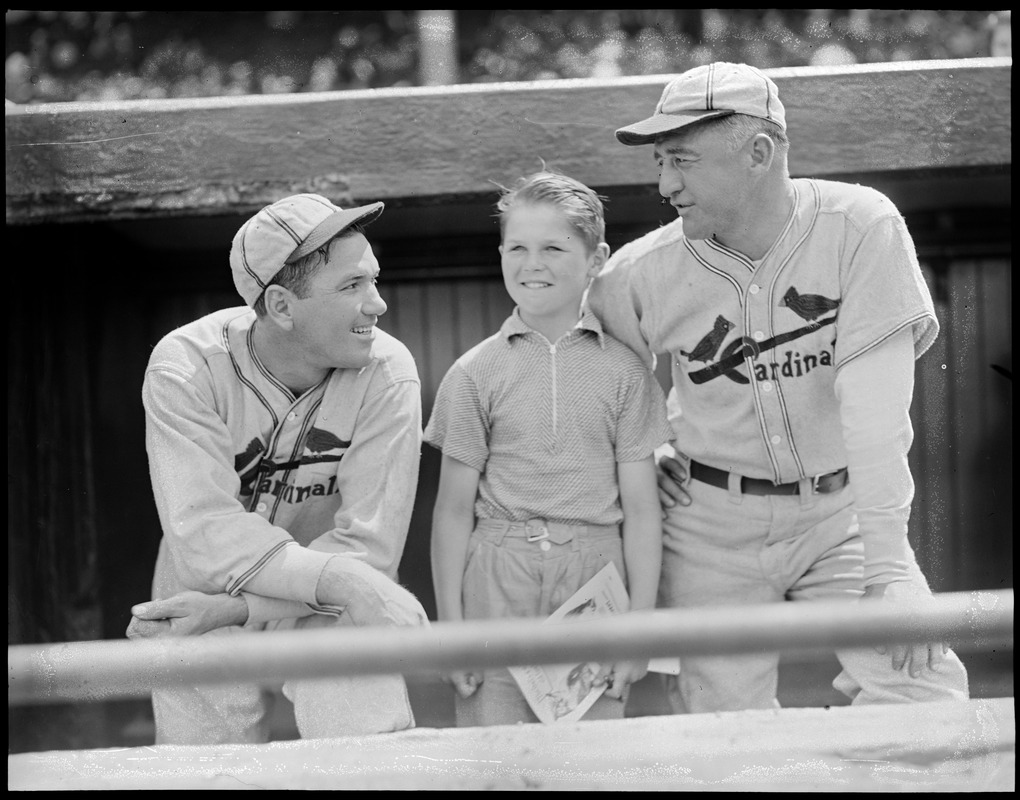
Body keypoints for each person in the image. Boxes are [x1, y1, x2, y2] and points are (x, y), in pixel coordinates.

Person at [587, 62, 970, 713]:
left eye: (682, 160)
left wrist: (889, 572)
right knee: (724, 746)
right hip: (708, 526)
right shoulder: (637, 273)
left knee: (925, 692)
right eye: (659, 162)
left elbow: (877, 420)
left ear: (758, 153)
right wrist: (642, 451)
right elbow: (592, 385)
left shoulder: (861, 227)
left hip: (839, 513)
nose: (665, 185)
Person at [126, 193, 430, 744]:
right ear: (283, 307)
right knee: (208, 778)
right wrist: (237, 607)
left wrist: (238, 609)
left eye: (374, 279)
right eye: (352, 286)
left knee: (363, 755)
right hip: (198, 598)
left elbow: (368, 553)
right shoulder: (185, 367)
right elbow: (204, 531)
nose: (378, 304)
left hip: (321, 600)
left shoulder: (389, 372)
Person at [425, 171, 674, 727]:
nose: (531, 263)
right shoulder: (474, 373)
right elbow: (452, 510)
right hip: (496, 574)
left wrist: (640, 629)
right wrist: (451, 628)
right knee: (497, 763)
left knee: (593, 766)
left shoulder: (626, 374)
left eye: (553, 248)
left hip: (595, 578)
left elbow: (641, 510)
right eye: (517, 247)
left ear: (595, 258)